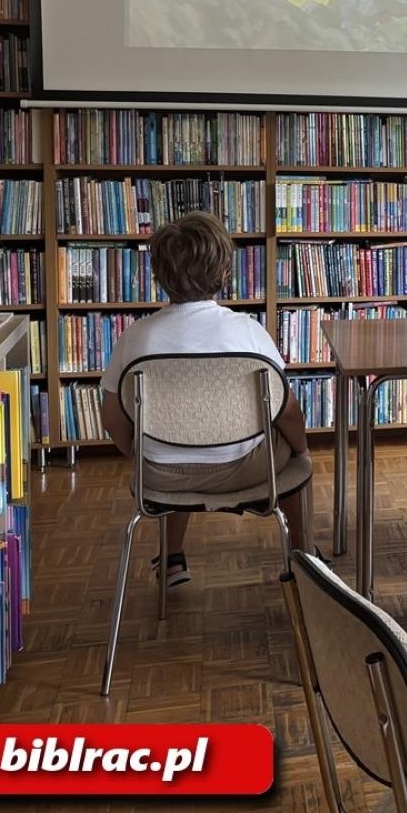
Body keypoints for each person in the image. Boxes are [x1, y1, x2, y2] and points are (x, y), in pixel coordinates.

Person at [99, 212, 312, 587]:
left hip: (162, 474)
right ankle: (303, 555)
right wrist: (301, 449)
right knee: (292, 450)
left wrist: (140, 454)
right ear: (224, 271)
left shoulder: (136, 338)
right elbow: (287, 411)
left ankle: (171, 558)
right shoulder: (249, 333)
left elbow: (112, 415)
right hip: (246, 468)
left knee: (173, 440)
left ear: (158, 274)